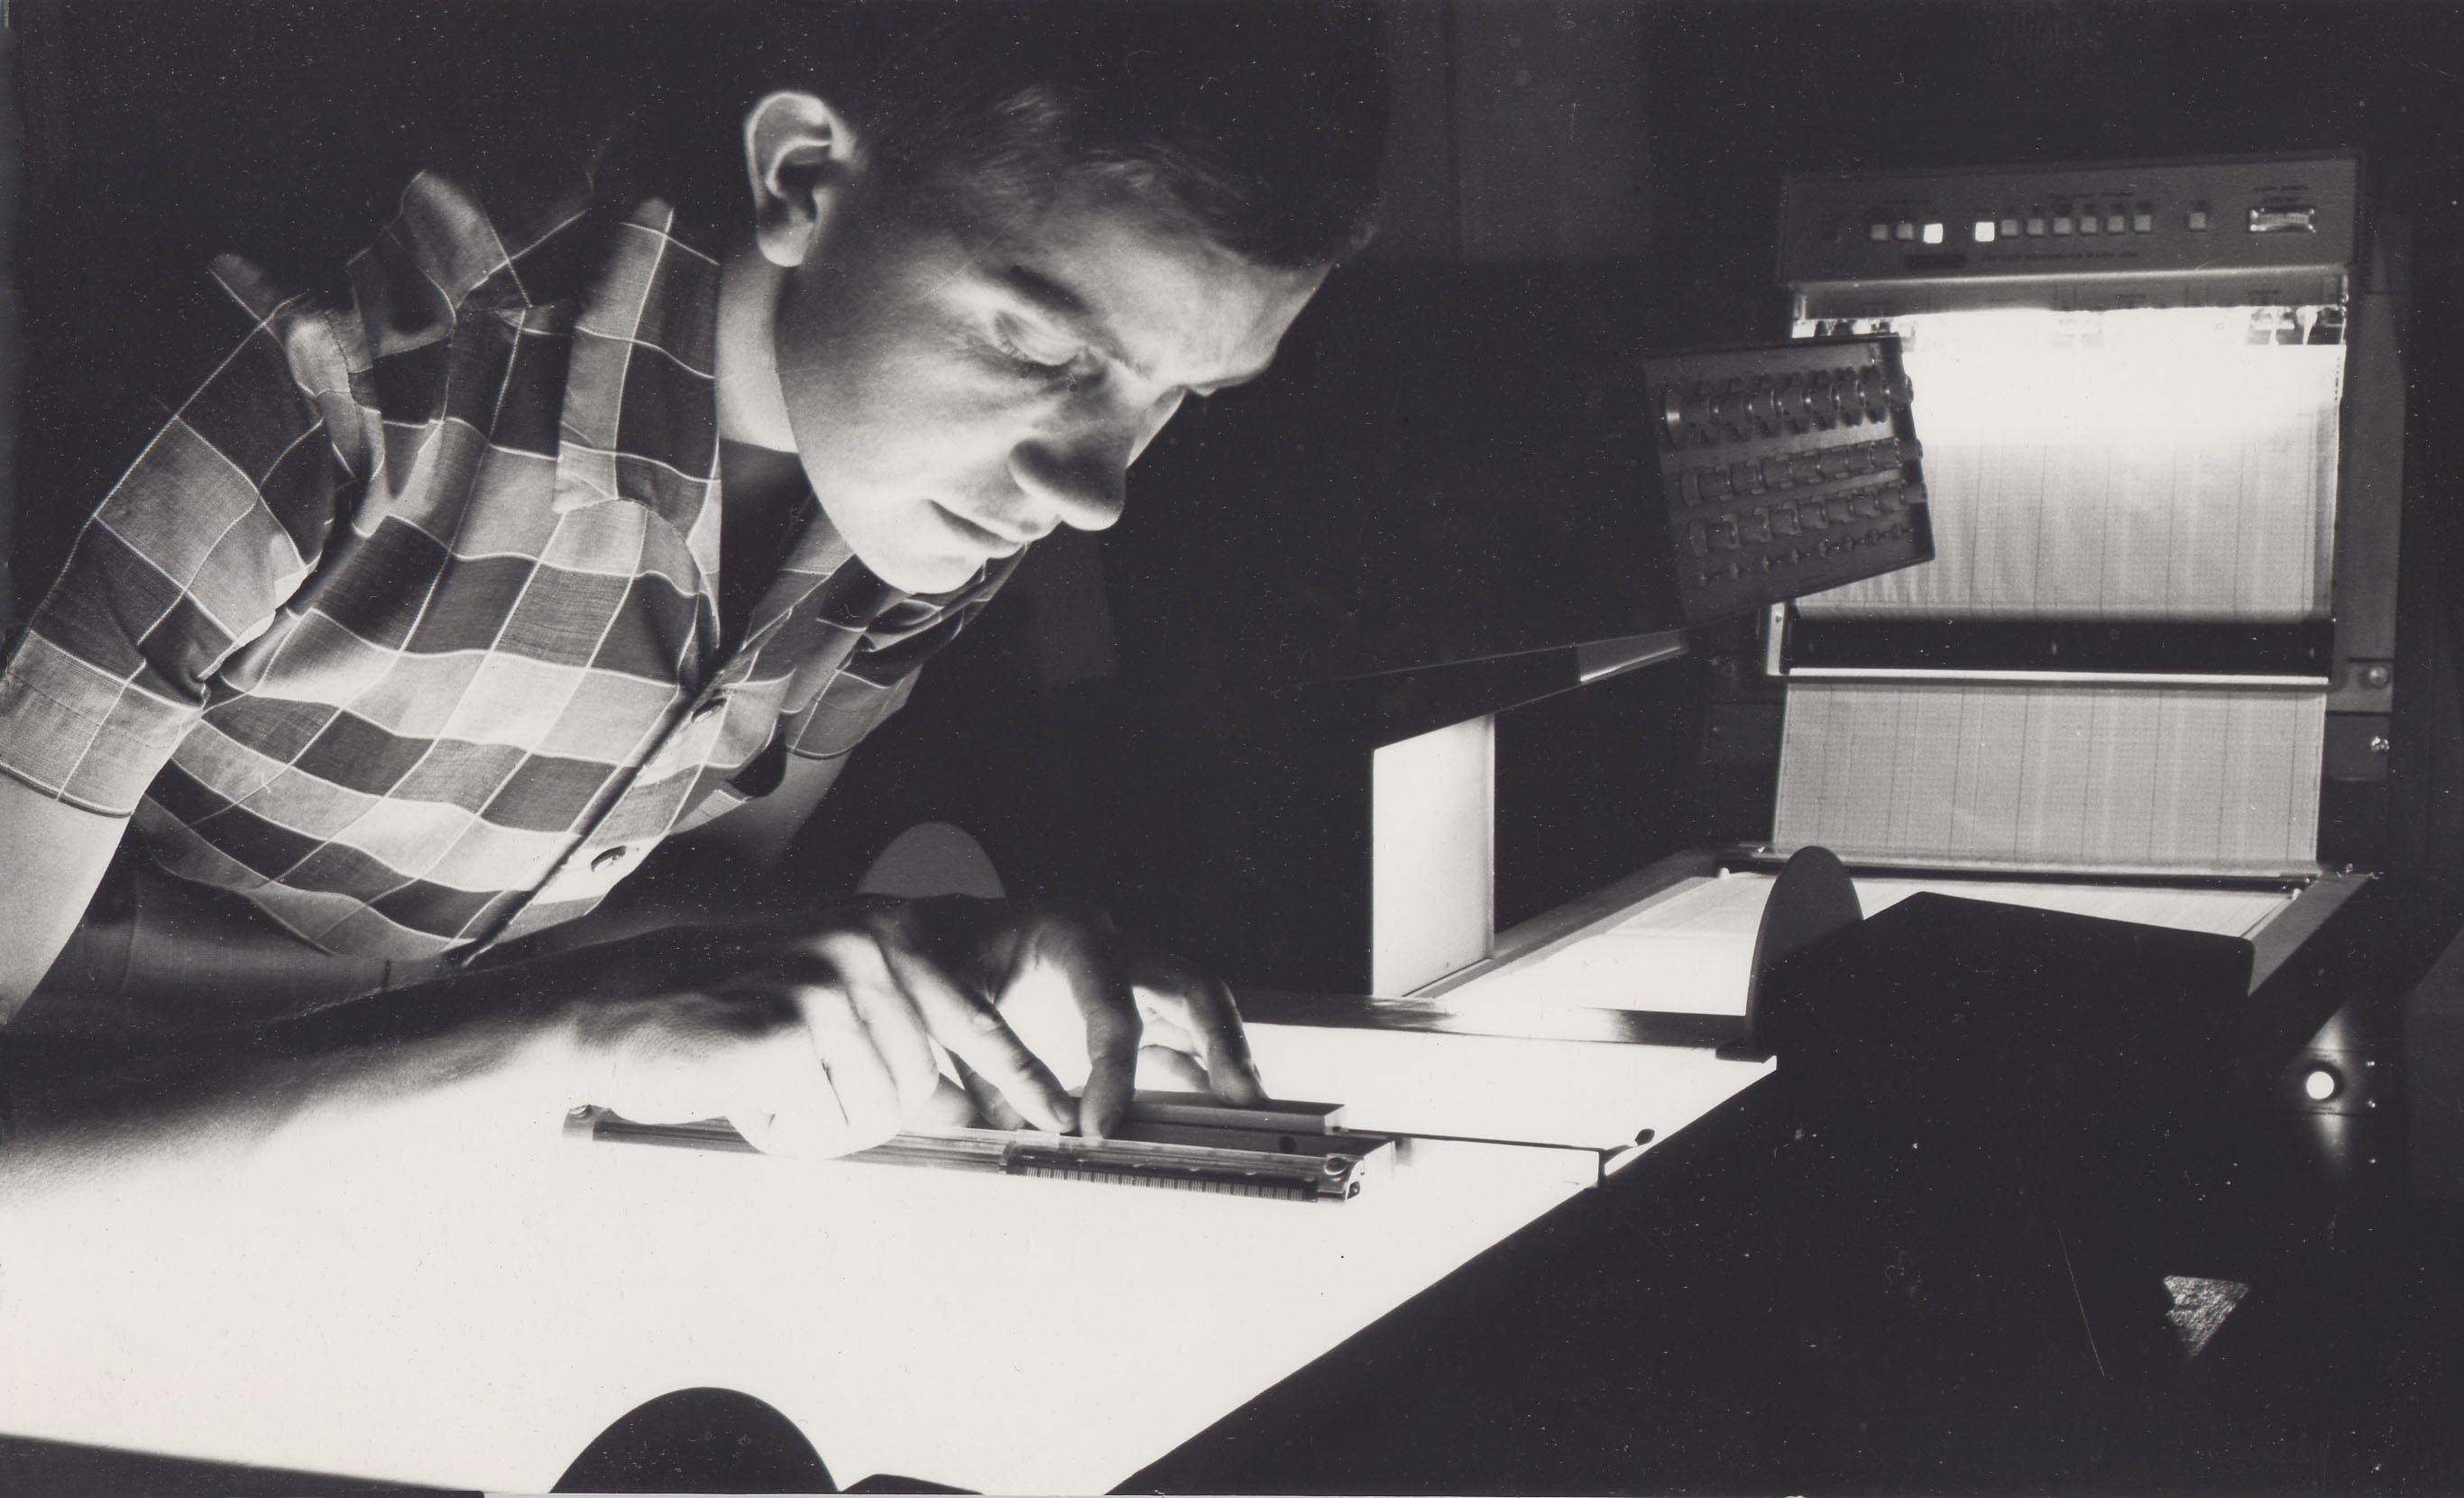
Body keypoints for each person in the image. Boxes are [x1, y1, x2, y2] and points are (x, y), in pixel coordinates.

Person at [0, 1, 1390, 1193]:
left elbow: (668, 918)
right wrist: (567, 1038)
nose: (1094, 490)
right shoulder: (325, 382)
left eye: (1180, 393)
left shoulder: (924, 498)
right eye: (1040, 343)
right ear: (802, 176)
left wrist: (899, 955)